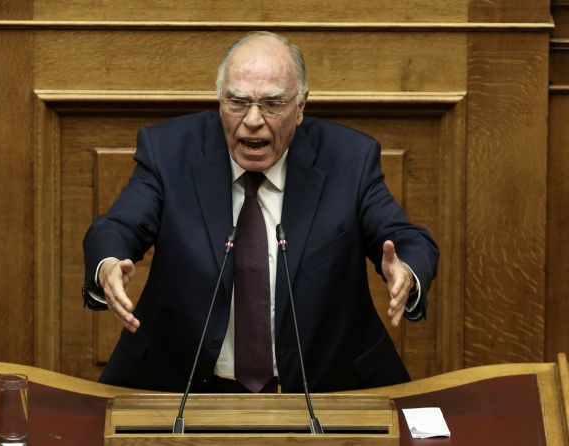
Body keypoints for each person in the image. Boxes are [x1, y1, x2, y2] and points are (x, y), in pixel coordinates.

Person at [82, 31, 439, 393]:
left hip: (326, 389)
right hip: (180, 388)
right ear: (220, 101)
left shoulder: (349, 159)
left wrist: (405, 270)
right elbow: (119, 226)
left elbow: (409, 240)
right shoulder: (169, 151)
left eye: (272, 104)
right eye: (237, 102)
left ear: (300, 107)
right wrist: (108, 263)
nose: (252, 119)